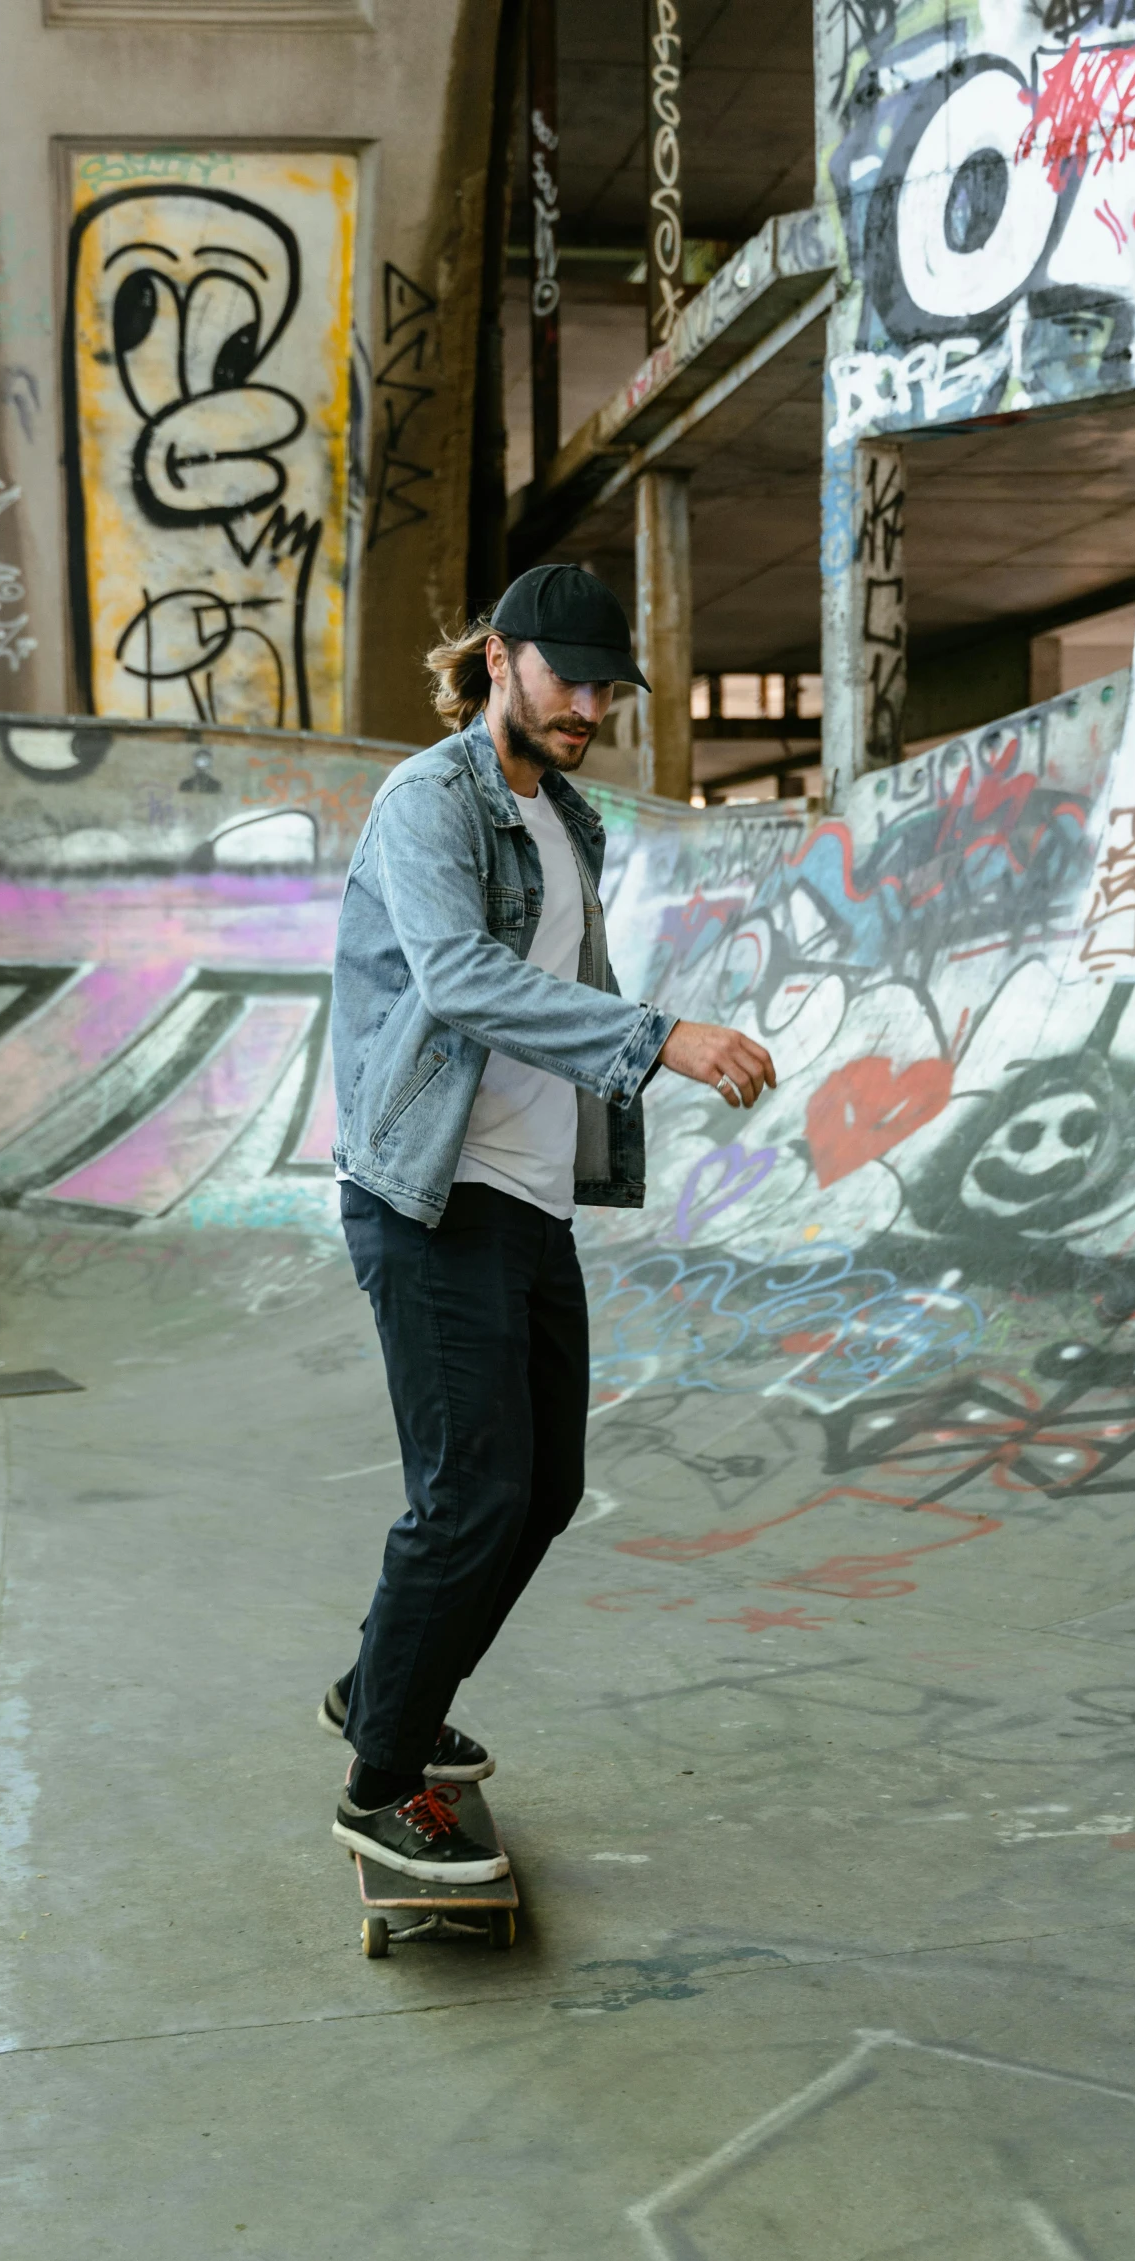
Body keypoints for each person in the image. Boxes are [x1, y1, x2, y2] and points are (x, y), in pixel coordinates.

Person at [322, 563, 776, 1881]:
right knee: (468, 1494)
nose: (585, 704)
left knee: (544, 1489)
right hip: (427, 1191)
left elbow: (551, 978)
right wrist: (658, 1041)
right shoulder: (430, 800)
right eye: (562, 676)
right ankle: (379, 1780)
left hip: (524, 1195)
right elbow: (462, 979)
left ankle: (379, 1690)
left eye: (604, 685)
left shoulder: (563, 818)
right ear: (497, 660)